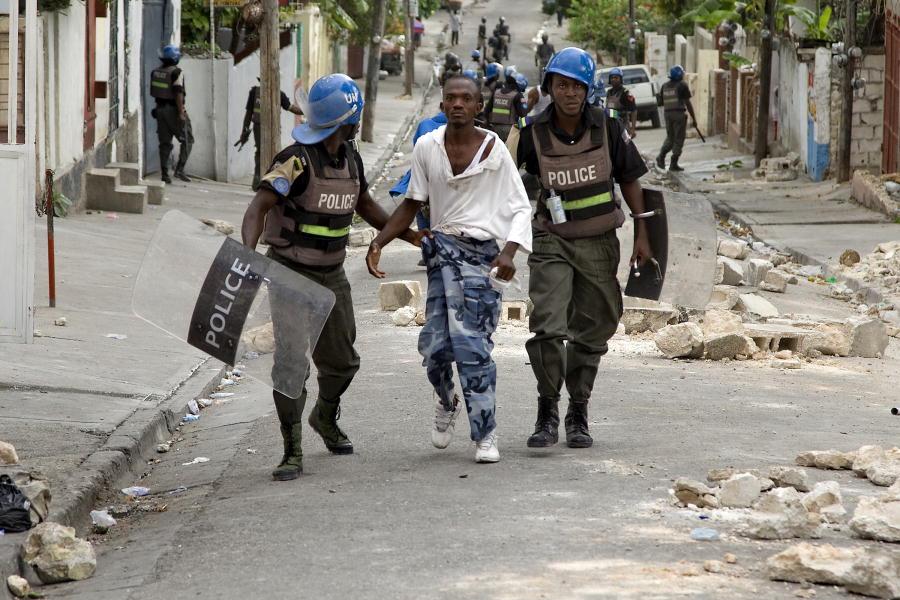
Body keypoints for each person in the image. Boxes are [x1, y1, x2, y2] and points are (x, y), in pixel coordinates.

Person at [240, 74, 421, 481]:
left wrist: (408, 235)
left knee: (342, 362)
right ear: (347, 120)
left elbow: (366, 206)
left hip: (333, 274)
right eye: (357, 116)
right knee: (290, 363)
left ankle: (323, 417)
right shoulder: (295, 160)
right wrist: (246, 256)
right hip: (290, 272)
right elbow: (257, 210)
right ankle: (291, 450)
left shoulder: (351, 159)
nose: (359, 121)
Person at [365, 75, 532, 464]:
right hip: (441, 256)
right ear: (442, 106)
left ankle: (485, 432)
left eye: (466, 98)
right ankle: (446, 400)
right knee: (436, 350)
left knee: (473, 348)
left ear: (479, 107)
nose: (458, 104)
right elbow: (412, 201)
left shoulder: (494, 150)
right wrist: (379, 242)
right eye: (451, 98)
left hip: (481, 259)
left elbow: (521, 207)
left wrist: (508, 254)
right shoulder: (426, 147)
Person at [506, 47, 652, 449]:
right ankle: (548, 408)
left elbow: (631, 180)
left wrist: (643, 233)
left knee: (595, 330)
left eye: (576, 85)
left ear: (588, 89)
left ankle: (578, 410)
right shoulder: (531, 130)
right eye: (561, 84)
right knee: (548, 327)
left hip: (600, 243)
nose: (569, 92)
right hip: (552, 239)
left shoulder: (608, 126)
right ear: (550, 86)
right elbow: (501, 178)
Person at [236, 80, 304, 190]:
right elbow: (249, 113)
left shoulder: (279, 94)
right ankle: (258, 179)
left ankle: (267, 180)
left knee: (272, 153)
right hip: (260, 128)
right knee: (260, 152)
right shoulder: (255, 92)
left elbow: (292, 108)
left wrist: (306, 111)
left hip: (272, 128)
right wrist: (244, 130)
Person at [150, 44, 193, 183]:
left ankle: (164, 174)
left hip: (159, 110)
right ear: (175, 58)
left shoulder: (156, 72)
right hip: (173, 110)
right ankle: (179, 170)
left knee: (165, 143)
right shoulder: (176, 72)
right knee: (187, 139)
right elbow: (178, 92)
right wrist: (181, 112)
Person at [656, 65, 697, 172]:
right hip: (679, 115)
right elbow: (688, 103)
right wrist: (694, 119)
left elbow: (660, 103)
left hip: (667, 115)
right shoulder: (682, 85)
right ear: (680, 75)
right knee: (679, 139)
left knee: (670, 138)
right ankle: (673, 163)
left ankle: (661, 157)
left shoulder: (664, 86)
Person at [486, 66, 528, 142]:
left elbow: (487, 110)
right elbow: (523, 116)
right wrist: (523, 130)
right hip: (510, 131)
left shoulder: (496, 92)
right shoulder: (518, 96)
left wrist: (488, 125)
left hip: (494, 129)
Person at [605, 67, 637, 138]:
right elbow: (608, 110)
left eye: (616, 78)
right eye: (612, 78)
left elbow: (634, 111)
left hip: (623, 125)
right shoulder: (609, 92)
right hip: (611, 126)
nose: (613, 79)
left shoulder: (626, 93)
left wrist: (633, 129)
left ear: (621, 79)